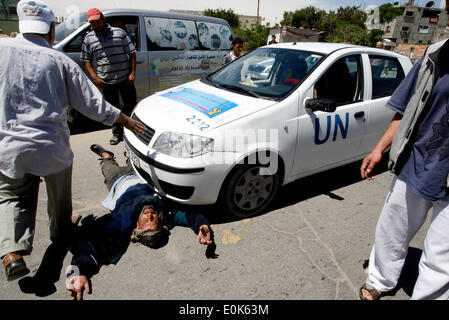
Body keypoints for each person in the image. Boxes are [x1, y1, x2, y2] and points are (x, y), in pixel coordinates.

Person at [0, 0, 145, 282]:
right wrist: (127, 121)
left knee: (12, 196)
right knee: (59, 197)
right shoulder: (59, 60)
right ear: (51, 30)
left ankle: (12, 252)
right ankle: (61, 231)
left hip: (8, 147)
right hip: (51, 146)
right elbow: (92, 104)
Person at [63, 145, 216, 300]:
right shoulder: (168, 213)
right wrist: (202, 226)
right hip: (141, 173)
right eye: (153, 219)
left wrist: (77, 272)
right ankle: (129, 157)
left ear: (137, 226)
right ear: (161, 221)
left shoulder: (122, 223)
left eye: (146, 222)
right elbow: (190, 215)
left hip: (118, 179)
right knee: (133, 159)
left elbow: (92, 248)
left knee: (108, 166)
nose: (149, 216)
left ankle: (106, 155)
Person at [359, 38, 449, 300]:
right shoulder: (435, 54)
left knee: (441, 257)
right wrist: (379, 149)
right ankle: (380, 280)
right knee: (392, 228)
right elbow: (405, 108)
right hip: (418, 160)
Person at [81, 8, 137, 145]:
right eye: (92, 23)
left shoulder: (119, 33)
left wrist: (132, 73)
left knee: (130, 106)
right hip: (106, 81)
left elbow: (132, 53)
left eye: (97, 21)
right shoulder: (89, 39)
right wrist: (94, 77)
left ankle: (133, 133)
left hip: (125, 79)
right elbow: (86, 60)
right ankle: (117, 134)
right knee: (113, 109)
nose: (96, 25)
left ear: (103, 19)